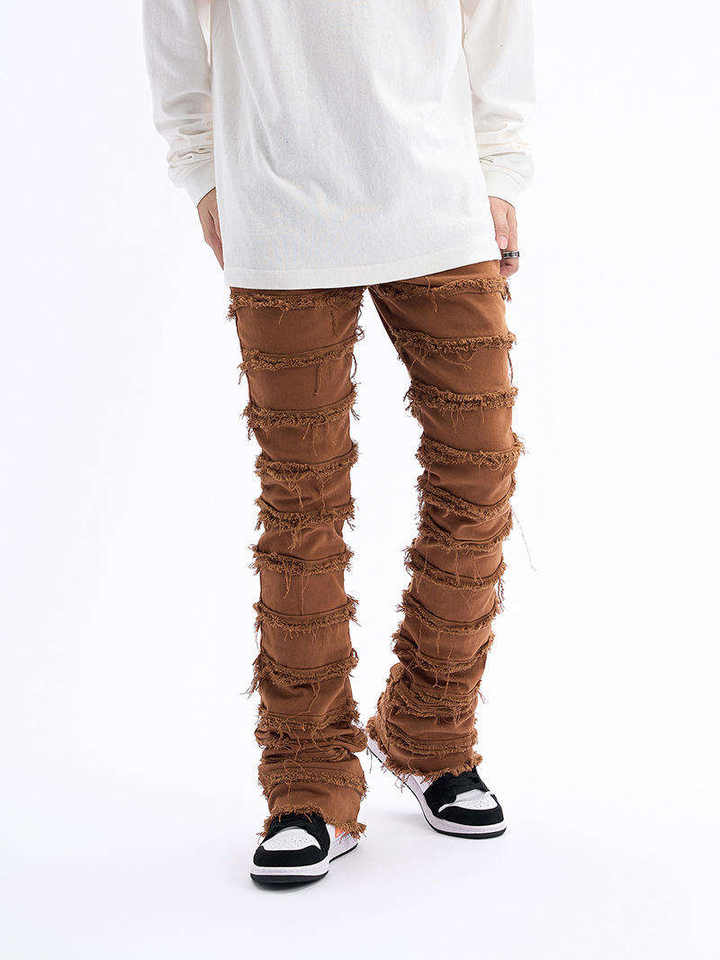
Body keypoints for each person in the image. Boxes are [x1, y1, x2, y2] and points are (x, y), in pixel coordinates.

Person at [143, 0, 533, 886]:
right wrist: (201, 170)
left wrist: (502, 168)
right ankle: (308, 779)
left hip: (440, 201)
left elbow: (497, 19)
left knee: (482, 471)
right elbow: (170, 23)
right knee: (301, 501)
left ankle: (430, 729)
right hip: (280, 202)